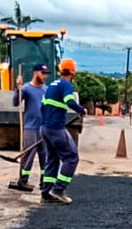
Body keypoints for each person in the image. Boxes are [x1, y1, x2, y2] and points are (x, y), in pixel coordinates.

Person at [40, 57, 86, 204]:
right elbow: (69, 101)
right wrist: (80, 109)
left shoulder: (52, 85)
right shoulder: (66, 85)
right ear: (72, 72)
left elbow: (42, 106)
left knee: (52, 160)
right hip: (55, 128)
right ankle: (59, 190)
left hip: (45, 128)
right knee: (72, 157)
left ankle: (46, 193)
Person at [9, 63, 49, 192]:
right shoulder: (26, 88)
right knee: (28, 156)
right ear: (36, 73)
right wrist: (18, 88)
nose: (45, 77)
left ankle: (45, 182)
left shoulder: (46, 90)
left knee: (46, 157)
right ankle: (23, 181)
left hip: (44, 128)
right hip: (30, 128)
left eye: (45, 74)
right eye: (42, 74)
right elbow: (16, 103)